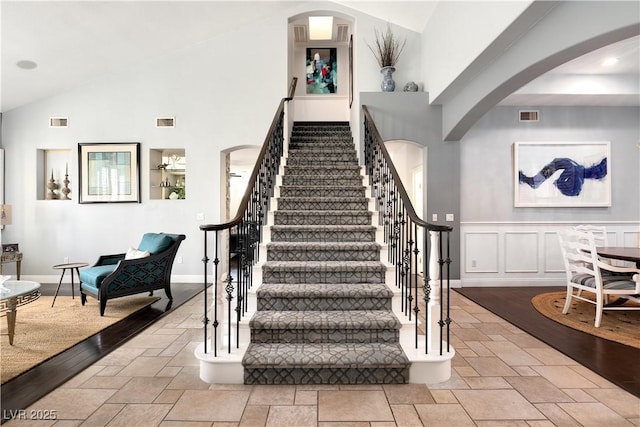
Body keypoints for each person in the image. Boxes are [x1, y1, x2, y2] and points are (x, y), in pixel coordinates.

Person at [518, 157, 607, 197]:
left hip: (567, 167)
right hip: (567, 166)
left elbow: (571, 189)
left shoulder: (577, 171)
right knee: (560, 163)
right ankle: (533, 181)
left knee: (561, 164)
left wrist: (559, 183)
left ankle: (533, 181)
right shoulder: (576, 170)